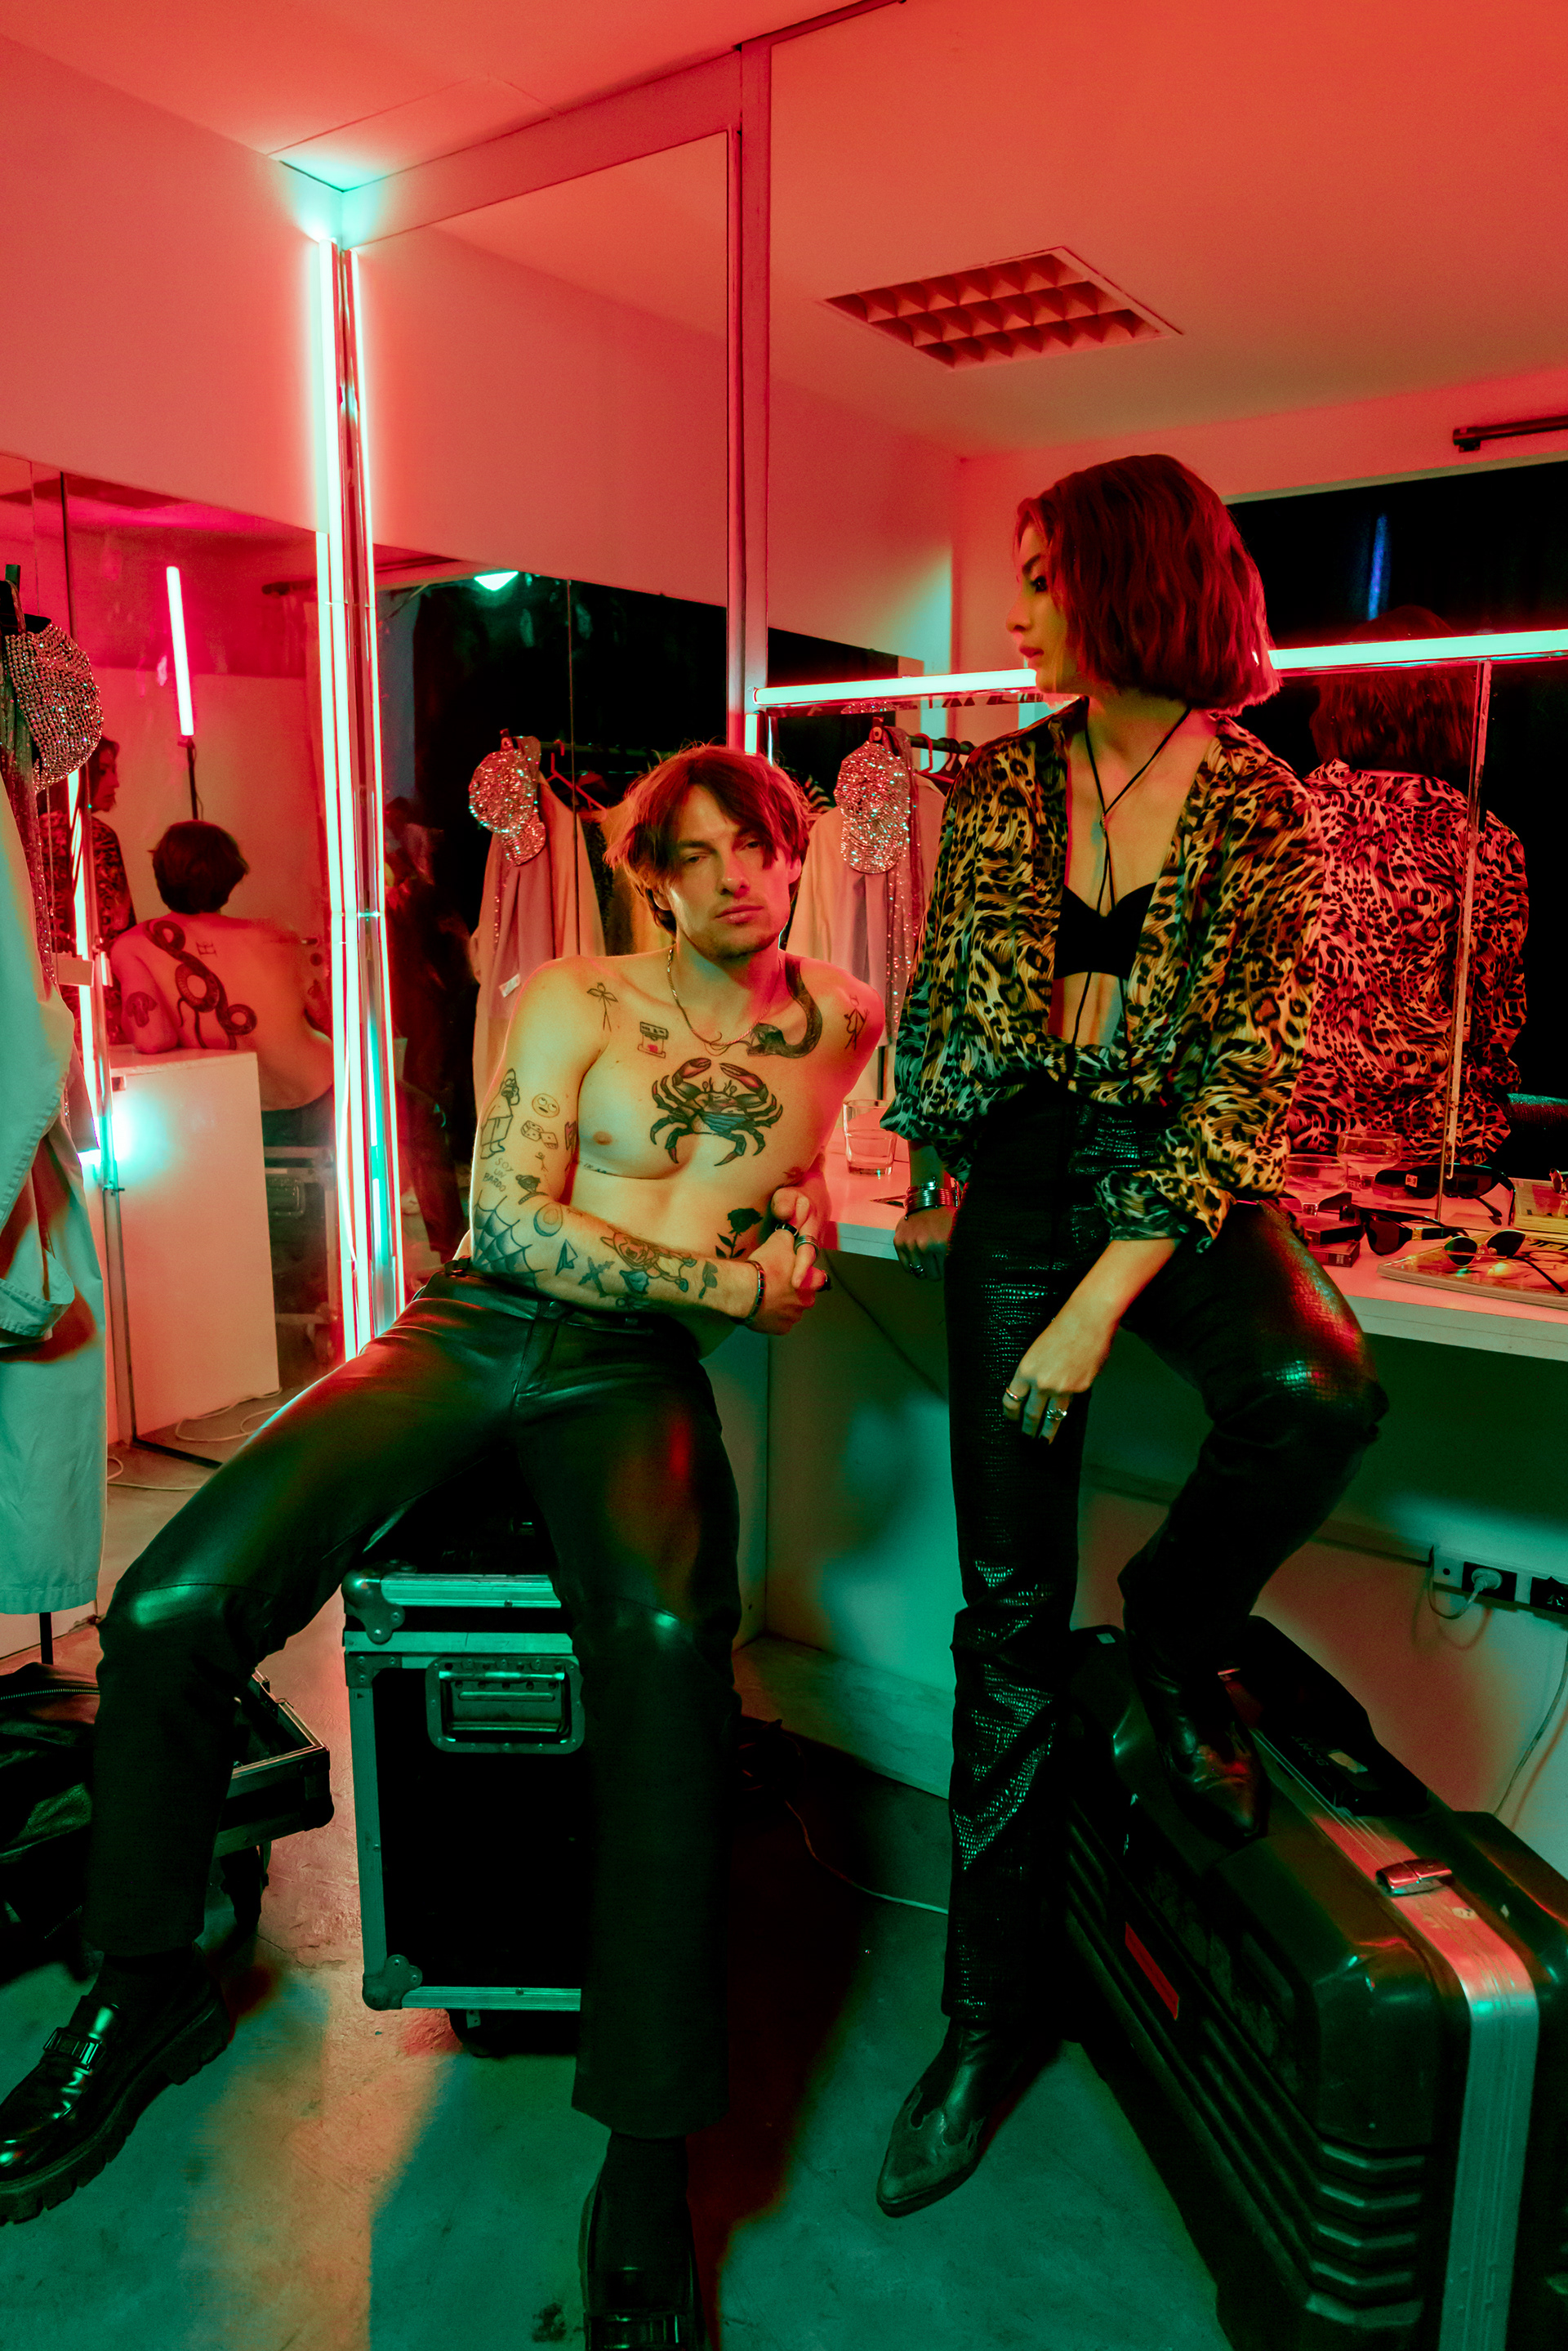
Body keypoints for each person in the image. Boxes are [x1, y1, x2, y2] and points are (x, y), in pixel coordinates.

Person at [0, 745, 881, 2351]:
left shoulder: (845, 1018)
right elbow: (520, 1221)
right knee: (171, 1600)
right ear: (650, 878)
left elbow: (788, 1186)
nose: (737, 878)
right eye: (698, 855)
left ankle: (646, 2152)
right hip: (479, 1325)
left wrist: (792, 1243)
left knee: (671, 1660)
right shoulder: (568, 996)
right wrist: (737, 1286)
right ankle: (142, 1984)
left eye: (760, 845)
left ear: (795, 851)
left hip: (631, 1373)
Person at [875, 454, 1386, 2218]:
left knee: (1316, 1391)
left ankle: (1174, 1626)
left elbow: (1247, 1069)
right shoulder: (1004, 779)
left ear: (1125, 582)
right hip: (1022, 1175)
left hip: (1175, 1175)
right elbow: (955, 990)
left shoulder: (1261, 806)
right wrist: (934, 1158)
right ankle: (985, 2018)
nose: (1015, 609)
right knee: (1008, 1617)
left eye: (1038, 576)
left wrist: (1102, 1300)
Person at [1286, 607, 1526, 1162]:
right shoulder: (1486, 842)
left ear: (1340, 703)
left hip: (1283, 1138)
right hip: (1423, 1149)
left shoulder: (1281, 818)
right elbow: (1491, 1020)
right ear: (1458, 709)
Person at [109, 820, 333, 1141]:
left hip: (233, 1109)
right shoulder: (276, 933)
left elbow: (152, 1039)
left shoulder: (135, 945)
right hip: (321, 1089)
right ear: (231, 875)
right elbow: (324, 1016)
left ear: (161, 875)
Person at [37, 734, 136, 1045]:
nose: (115, 782)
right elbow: (117, 924)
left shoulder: (27, 833)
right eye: (104, 771)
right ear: (80, 774)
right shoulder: (97, 837)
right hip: (95, 997)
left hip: (42, 996)